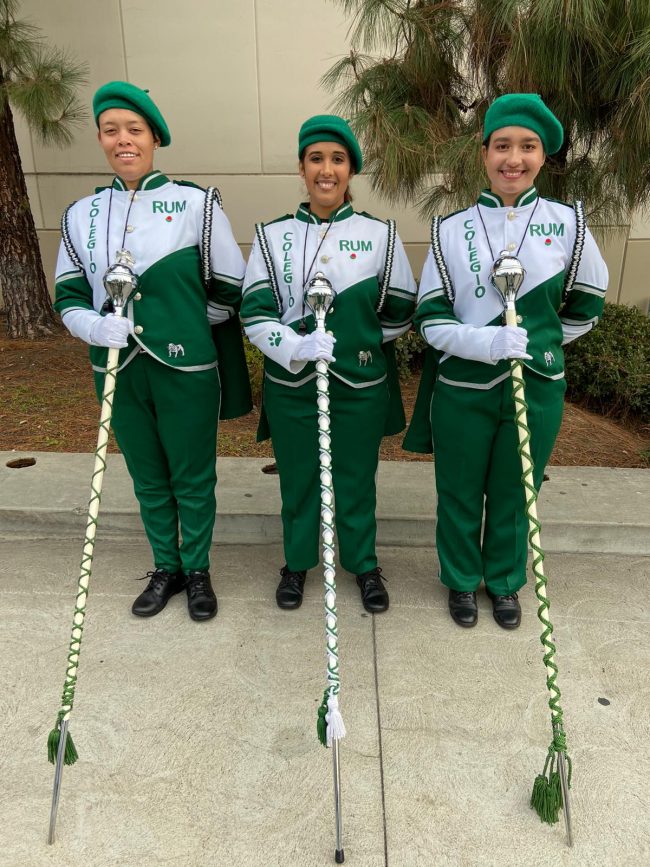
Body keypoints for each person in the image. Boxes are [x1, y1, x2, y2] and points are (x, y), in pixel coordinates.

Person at [406, 93, 608, 629]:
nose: (512, 158)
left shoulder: (570, 224)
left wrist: (540, 345)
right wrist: (485, 343)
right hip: (463, 385)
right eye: (501, 146)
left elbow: (587, 305)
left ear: (543, 157)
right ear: (483, 153)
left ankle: (504, 582)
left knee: (519, 490)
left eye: (527, 146)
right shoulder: (450, 229)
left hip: (536, 386)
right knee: (458, 489)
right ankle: (460, 580)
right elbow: (429, 319)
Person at [54, 81, 250, 622]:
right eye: (112, 130)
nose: (123, 140)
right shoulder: (81, 213)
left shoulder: (194, 203)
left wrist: (181, 323)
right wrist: (95, 327)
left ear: (153, 138)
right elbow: (68, 291)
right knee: (146, 474)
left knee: (193, 474)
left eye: (134, 130)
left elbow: (230, 287)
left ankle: (198, 569)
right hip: (115, 366)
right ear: (100, 138)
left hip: (184, 364)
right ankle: (166, 566)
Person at [241, 114, 417, 613]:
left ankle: (363, 564)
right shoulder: (272, 236)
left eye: (337, 160)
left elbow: (399, 312)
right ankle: (297, 562)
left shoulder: (379, 234)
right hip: (293, 383)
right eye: (316, 158)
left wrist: (354, 343)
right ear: (302, 167)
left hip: (358, 383)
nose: (326, 169)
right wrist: (295, 347)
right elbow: (254, 313)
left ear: (350, 171)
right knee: (298, 478)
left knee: (356, 478)